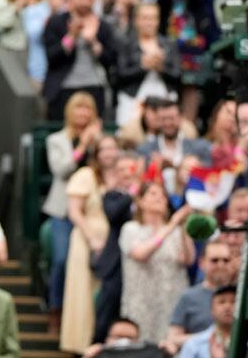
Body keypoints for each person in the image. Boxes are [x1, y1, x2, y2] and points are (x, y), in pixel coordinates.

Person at [42, 92, 101, 329]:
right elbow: (61, 170)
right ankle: (55, 308)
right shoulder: (56, 140)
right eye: (79, 108)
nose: (83, 113)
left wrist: (95, 142)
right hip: (63, 212)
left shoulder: (99, 138)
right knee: (61, 260)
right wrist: (83, 145)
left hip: (94, 211)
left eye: (88, 108)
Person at [60, 133, 120, 354]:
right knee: (84, 294)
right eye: (103, 149)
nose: (109, 153)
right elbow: (74, 212)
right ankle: (81, 345)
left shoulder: (123, 174)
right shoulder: (85, 175)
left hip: (114, 240)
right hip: (87, 239)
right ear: (96, 153)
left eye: (113, 148)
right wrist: (93, 239)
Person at [119, 182, 194, 343]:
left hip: (170, 301)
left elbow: (188, 259)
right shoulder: (131, 229)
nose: (160, 197)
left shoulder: (176, 231)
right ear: (140, 201)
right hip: (140, 302)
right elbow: (142, 254)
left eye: (163, 194)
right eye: (153, 193)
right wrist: (172, 224)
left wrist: (183, 228)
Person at [164, 239, 237, 353]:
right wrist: (208, 339)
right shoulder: (189, 297)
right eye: (214, 260)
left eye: (226, 260)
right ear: (202, 263)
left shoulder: (243, 294)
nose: (221, 265)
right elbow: (173, 337)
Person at [177, 286, 235, 358]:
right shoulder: (193, 344)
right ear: (212, 309)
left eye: (233, 302)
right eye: (221, 302)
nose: (227, 307)